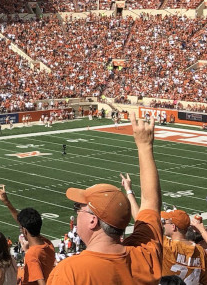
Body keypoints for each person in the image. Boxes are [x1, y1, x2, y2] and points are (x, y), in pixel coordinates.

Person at [46, 114, 162, 285]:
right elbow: (151, 203)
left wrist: (144, 146)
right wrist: (144, 146)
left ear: (94, 221)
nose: (77, 212)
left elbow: (150, 203)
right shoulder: (145, 255)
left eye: (79, 207)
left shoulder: (69, 272)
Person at [0, 187, 55, 285]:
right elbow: (23, 223)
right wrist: (7, 202)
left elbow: (42, 283)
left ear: (24, 230)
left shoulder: (32, 255)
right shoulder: (48, 243)